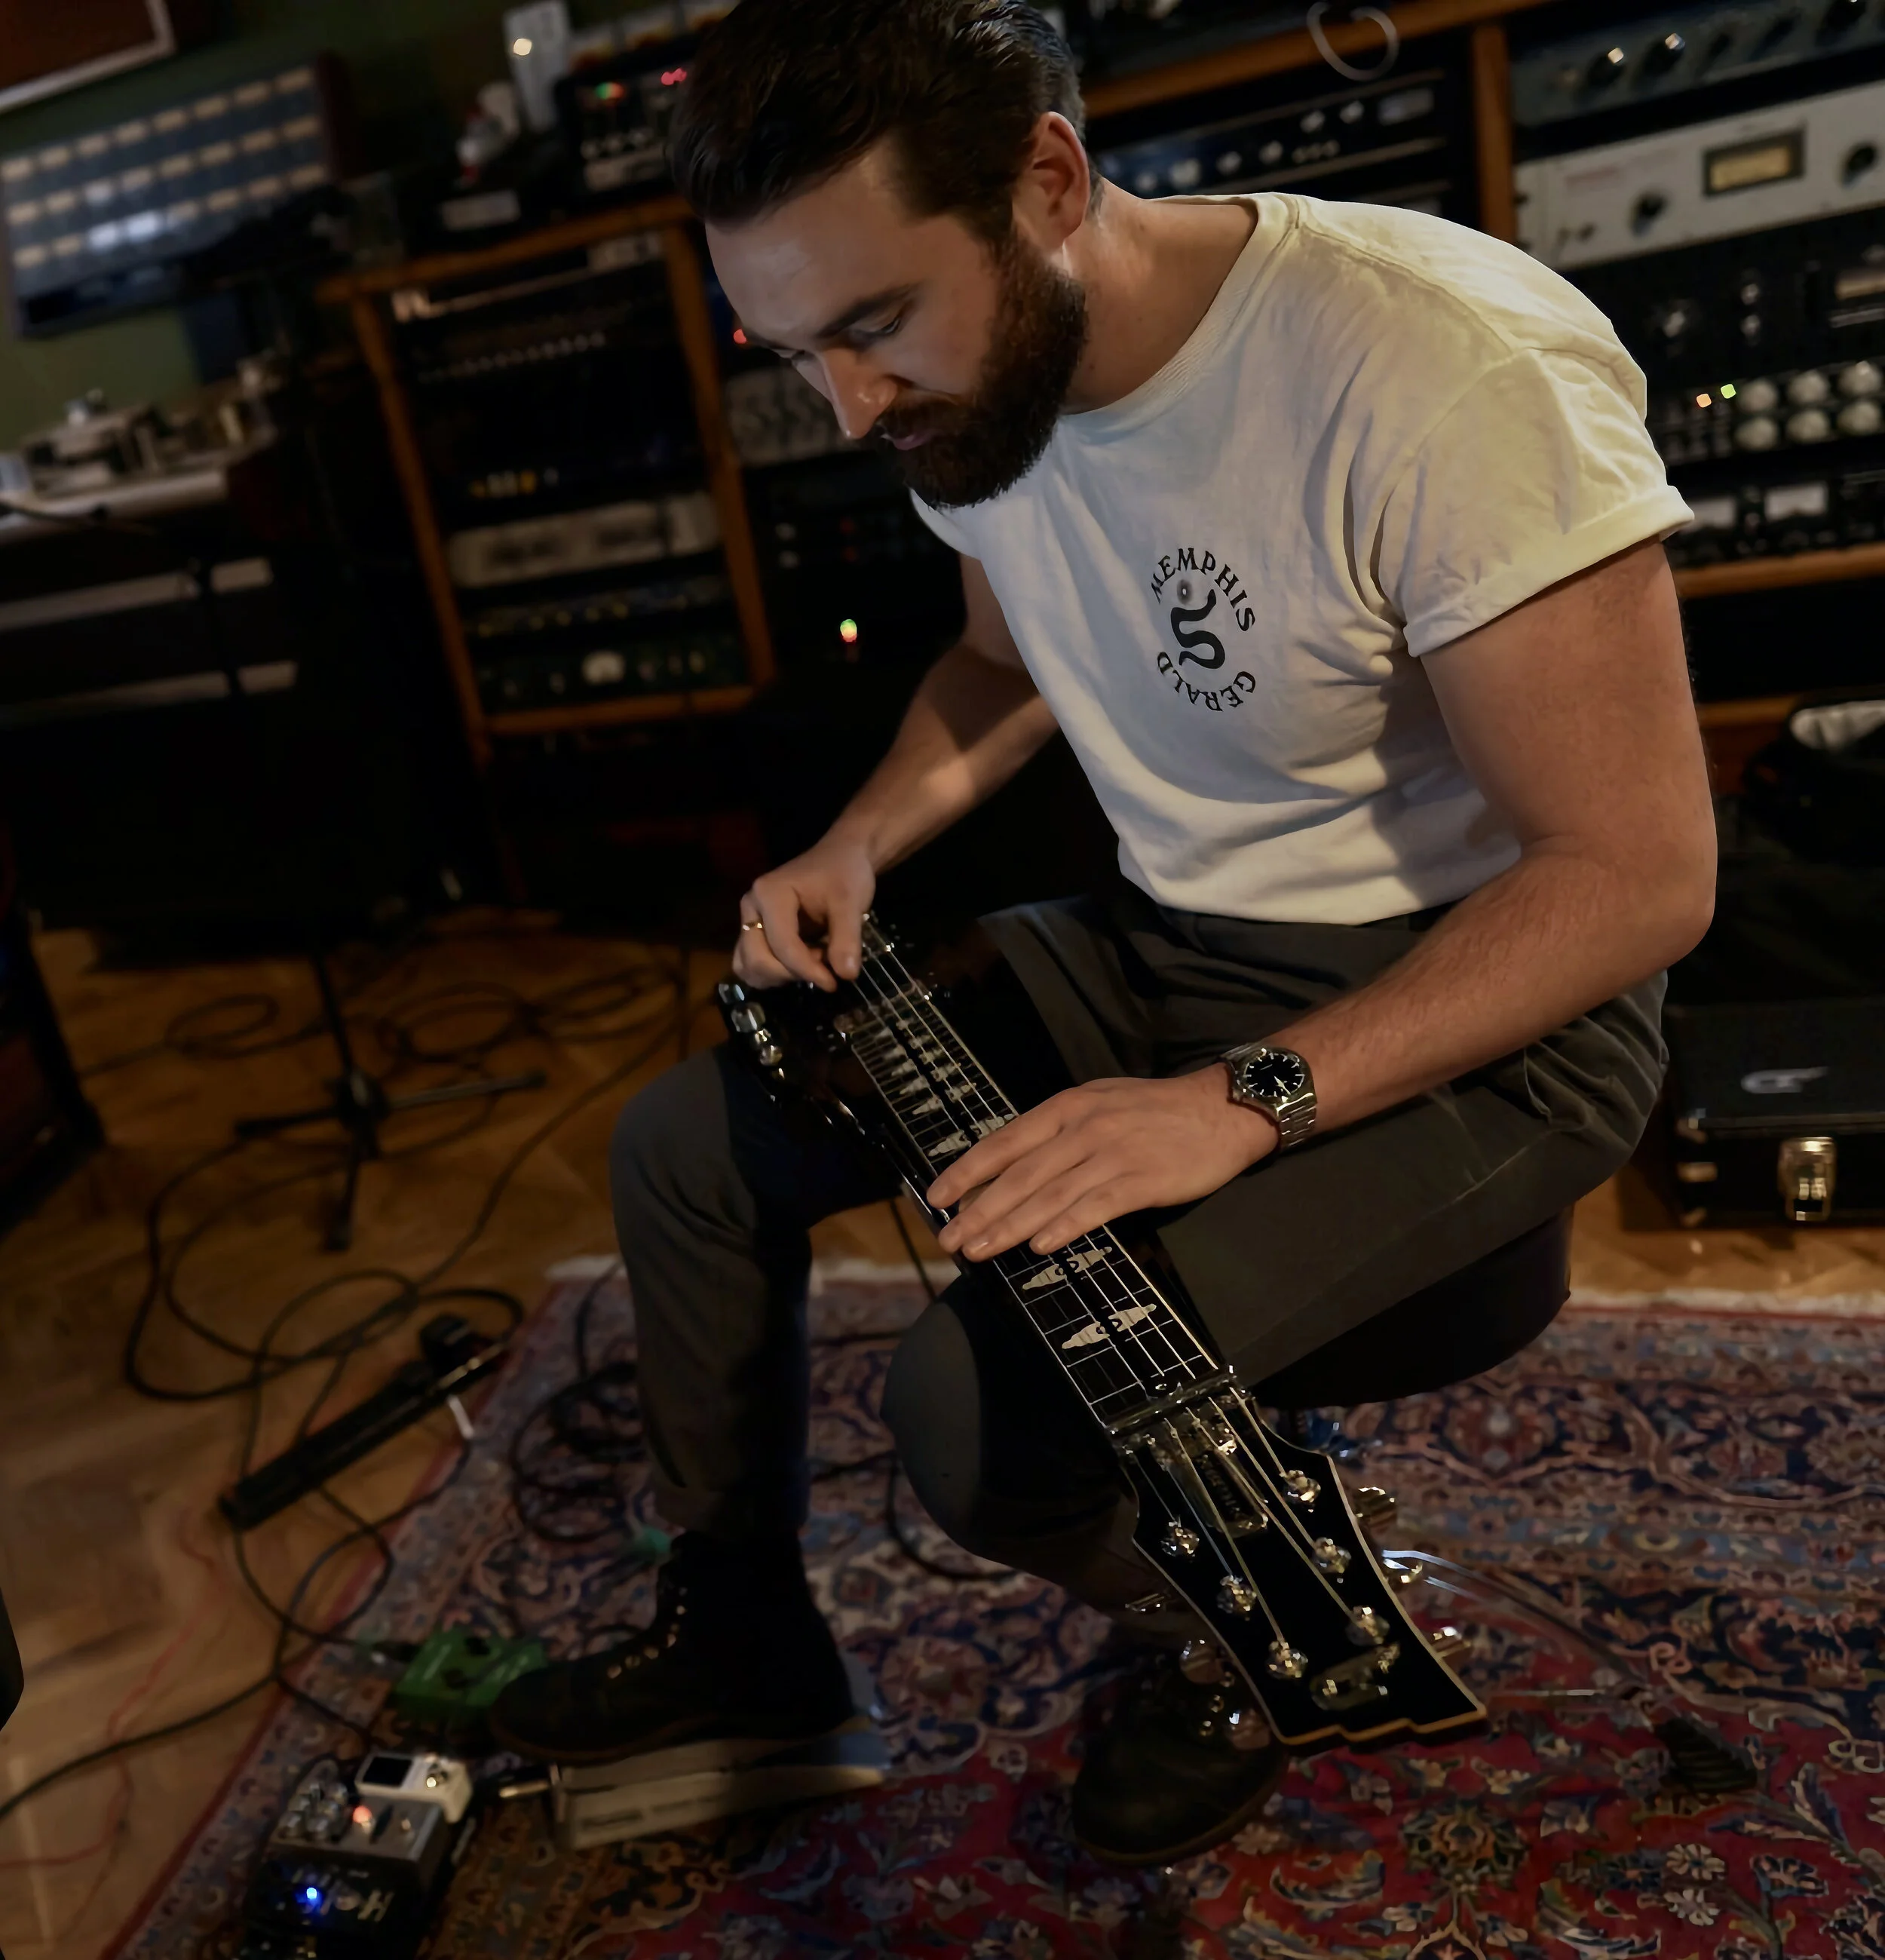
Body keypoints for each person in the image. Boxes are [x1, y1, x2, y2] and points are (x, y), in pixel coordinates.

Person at [491, 0, 1717, 1864]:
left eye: (873, 326)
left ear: (1045, 182)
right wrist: (857, 839)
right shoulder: (985, 383)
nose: (848, 409)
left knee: (976, 1419)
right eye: (795, 349)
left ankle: (1238, 1642)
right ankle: (742, 1636)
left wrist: (1237, 1098)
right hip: (1175, 931)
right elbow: (1003, 659)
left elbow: (1632, 880)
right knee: (679, 1151)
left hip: (1480, 999)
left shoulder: (1441, 370)